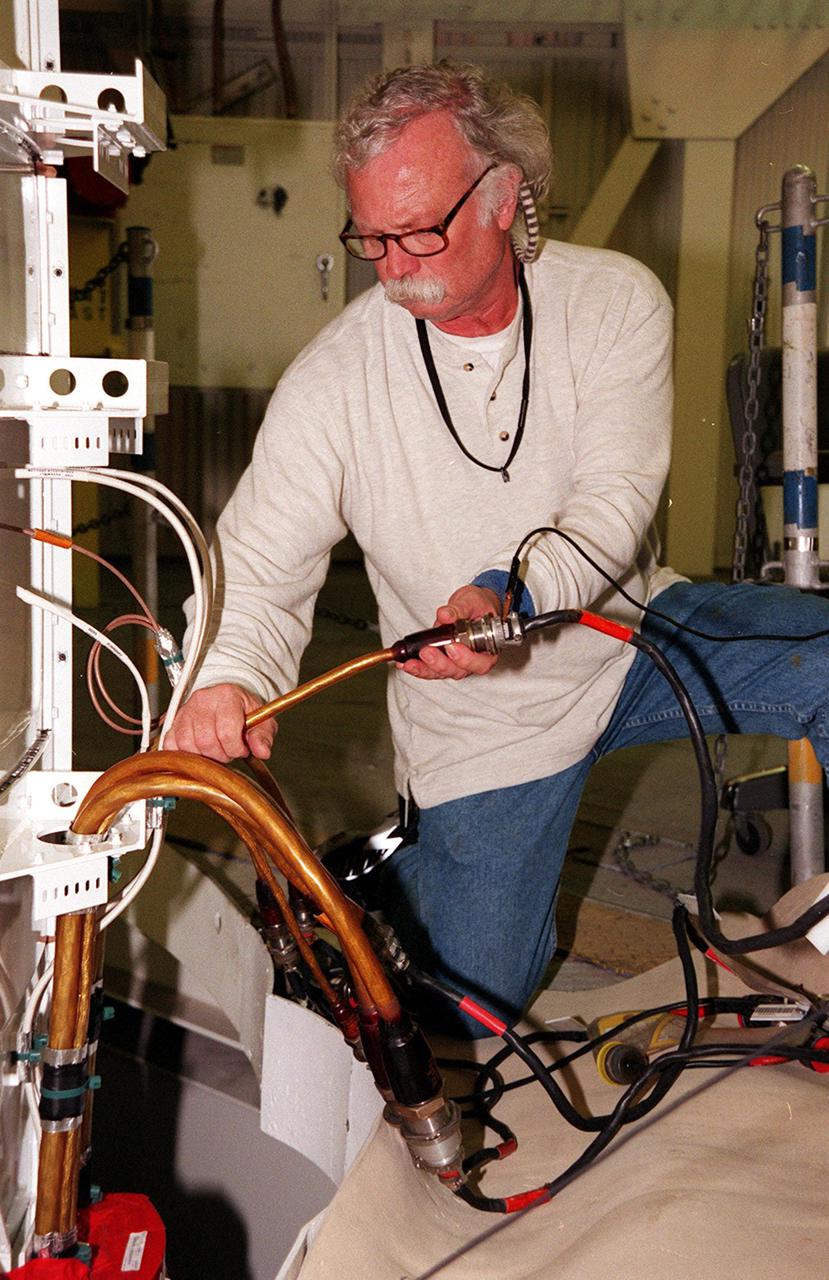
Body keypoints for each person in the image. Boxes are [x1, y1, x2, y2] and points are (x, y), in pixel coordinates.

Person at [167, 61, 829, 1033]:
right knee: (475, 1013)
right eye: (370, 238)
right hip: (481, 726)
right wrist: (223, 673)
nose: (392, 266)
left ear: (502, 192)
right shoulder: (334, 380)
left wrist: (509, 593)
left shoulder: (615, 302)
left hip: (631, 631)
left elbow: (611, 501)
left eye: (419, 229)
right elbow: (262, 560)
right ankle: (402, 875)